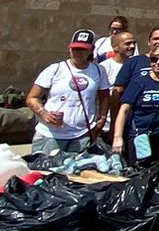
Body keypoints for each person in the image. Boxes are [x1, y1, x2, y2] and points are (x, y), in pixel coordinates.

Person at [27, 29, 110, 158]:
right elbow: (32, 97)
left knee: (76, 174)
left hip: (82, 135)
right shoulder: (56, 69)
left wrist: (102, 119)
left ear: (91, 50)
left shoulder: (99, 71)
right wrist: (44, 114)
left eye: (82, 49)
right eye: (75, 49)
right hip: (51, 136)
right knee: (44, 173)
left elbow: (104, 96)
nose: (78, 53)